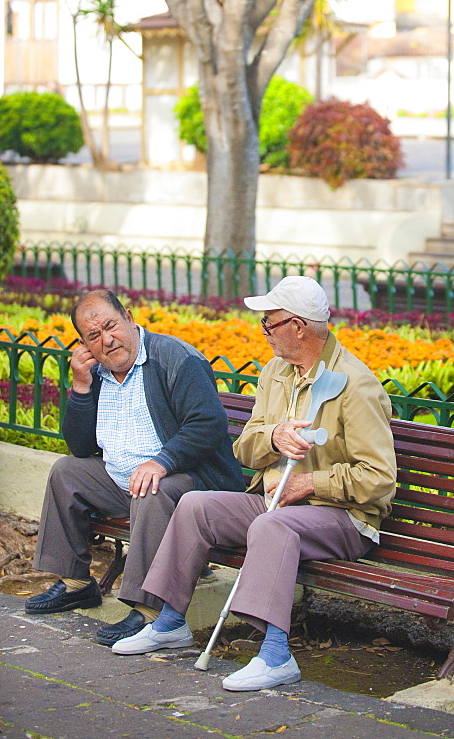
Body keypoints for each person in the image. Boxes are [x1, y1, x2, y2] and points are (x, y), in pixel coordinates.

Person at [112, 275, 397, 692]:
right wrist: (274, 436)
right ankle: (170, 621)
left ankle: (276, 655)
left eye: (269, 323)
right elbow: (245, 449)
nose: (262, 331)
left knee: (270, 526)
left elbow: (379, 479)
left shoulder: (356, 384)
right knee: (195, 506)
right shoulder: (276, 373)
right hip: (277, 504)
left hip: (344, 520)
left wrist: (312, 483)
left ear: (298, 326)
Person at [25, 289, 245, 647]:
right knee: (66, 472)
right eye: (93, 336)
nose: (107, 340)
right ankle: (77, 583)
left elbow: (207, 423)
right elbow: (80, 448)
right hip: (124, 482)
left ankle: (151, 608)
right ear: (84, 343)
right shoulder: (97, 373)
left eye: (110, 326)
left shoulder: (175, 359)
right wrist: (80, 387)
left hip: (194, 482)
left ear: (128, 317)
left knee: (150, 488)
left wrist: (162, 461)